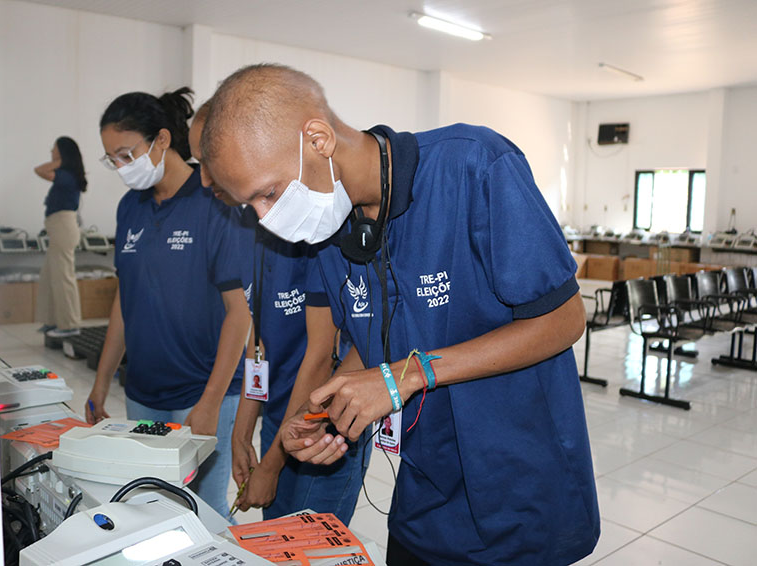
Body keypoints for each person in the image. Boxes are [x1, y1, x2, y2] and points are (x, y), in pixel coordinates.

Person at [199, 64, 599, 565]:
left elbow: (564, 320)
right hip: (424, 501)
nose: (265, 218)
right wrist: (328, 414)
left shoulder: (475, 166)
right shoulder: (329, 232)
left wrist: (405, 376)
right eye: (249, 206)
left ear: (318, 139)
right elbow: (376, 346)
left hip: (520, 493)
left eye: (269, 193)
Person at [189, 103, 369, 524]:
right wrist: (241, 431)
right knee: (274, 541)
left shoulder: (312, 229)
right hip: (278, 420)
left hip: (319, 428)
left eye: (210, 162)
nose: (203, 179)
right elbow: (262, 342)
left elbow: (320, 356)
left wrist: (272, 464)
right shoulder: (250, 228)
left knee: (306, 543)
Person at [86, 87, 250, 521]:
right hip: (143, 391)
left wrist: (212, 400)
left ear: (161, 140)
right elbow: (127, 297)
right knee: (151, 507)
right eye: (112, 159)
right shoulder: (130, 208)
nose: (121, 168)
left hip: (201, 389)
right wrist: (103, 380)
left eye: (126, 154)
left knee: (204, 511)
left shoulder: (215, 199)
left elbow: (240, 312)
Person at [33, 136, 86, 338]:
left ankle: (70, 324)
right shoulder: (67, 174)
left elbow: (40, 170)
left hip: (63, 227)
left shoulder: (67, 175)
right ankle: (52, 320)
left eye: (54, 149)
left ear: (63, 152)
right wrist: (61, 158)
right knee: (49, 276)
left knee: (63, 277)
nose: (51, 152)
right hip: (58, 228)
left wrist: (60, 160)